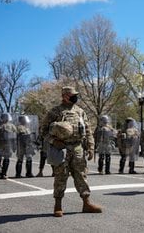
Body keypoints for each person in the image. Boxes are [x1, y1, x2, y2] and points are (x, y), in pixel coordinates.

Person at [40, 86, 101, 217]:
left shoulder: (80, 111)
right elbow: (43, 131)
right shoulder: (55, 112)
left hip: (78, 148)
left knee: (81, 176)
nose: (75, 97)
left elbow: (88, 130)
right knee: (61, 176)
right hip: (62, 148)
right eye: (72, 95)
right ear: (65, 96)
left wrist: (91, 147)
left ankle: (86, 203)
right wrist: (53, 141)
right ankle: (58, 205)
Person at [0, 113, 17, 179]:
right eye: (4, 117)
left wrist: (14, 146)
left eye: (6, 117)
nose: (5, 119)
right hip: (0, 144)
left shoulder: (12, 126)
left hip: (8, 145)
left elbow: (15, 136)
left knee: (6, 159)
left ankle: (4, 173)